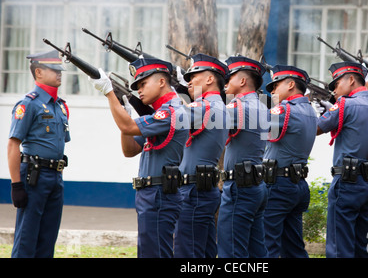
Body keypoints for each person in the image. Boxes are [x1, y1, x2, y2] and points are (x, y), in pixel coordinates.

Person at [88, 58, 188, 258]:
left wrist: (109, 93)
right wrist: (124, 115)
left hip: (159, 194)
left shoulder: (171, 111)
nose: (139, 90)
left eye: (143, 84)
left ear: (161, 82)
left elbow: (128, 126)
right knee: (149, 252)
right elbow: (130, 149)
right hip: (151, 194)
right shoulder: (160, 113)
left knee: (155, 253)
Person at [317, 61, 368, 258]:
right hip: (367, 182)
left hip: (347, 181)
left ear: (351, 79)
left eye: (337, 83)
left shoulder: (345, 105)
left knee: (339, 244)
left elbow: (315, 129)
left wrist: (318, 112)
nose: (335, 90)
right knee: (360, 242)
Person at [7, 50, 70, 258]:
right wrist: (16, 185)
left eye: (61, 70)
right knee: (27, 238)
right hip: (34, 176)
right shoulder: (28, 104)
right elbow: (13, 145)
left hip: (55, 175)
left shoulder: (60, 106)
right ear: (39, 72)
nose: (60, 74)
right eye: (55, 70)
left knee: (47, 239)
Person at [173, 54, 229, 258]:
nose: (189, 81)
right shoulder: (215, 106)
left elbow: (170, 117)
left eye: (194, 76)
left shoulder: (204, 107)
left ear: (209, 79)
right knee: (204, 251)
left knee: (186, 253)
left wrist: (166, 91)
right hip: (202, 189)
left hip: (193, 191)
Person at [217, 55, 269, 258]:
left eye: (229, 78)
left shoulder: (239, 107)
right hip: (255, 185)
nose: (225, 83)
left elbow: (200, 121)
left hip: (239, 187)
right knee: (257, 252)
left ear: (242, 81)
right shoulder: (261, 106)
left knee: (231, 251)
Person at [263, 65, 317, 258]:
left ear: (291, 84)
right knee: (293, 248)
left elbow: (253, 126)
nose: (273, 91)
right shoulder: (309, 110)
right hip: (297, 184)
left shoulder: (285, 110)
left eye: (276, 85)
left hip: (278, 184)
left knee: (267, 246)